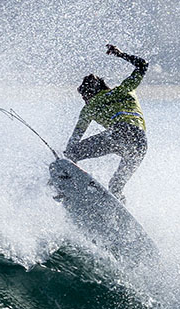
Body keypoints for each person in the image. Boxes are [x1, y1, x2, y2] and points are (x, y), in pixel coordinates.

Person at [64, 44, 149, 198]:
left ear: (89, 94)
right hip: (140, 145)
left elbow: (76, 137)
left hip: (120, 134)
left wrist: (65, 158)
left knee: (72, 154)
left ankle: (68, 190)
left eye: (84, 97)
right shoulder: (125, 90)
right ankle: (117, 216)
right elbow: (143, 65)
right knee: (115, 186)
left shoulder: (90, 107)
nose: (84, 101)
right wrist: (120, 54)